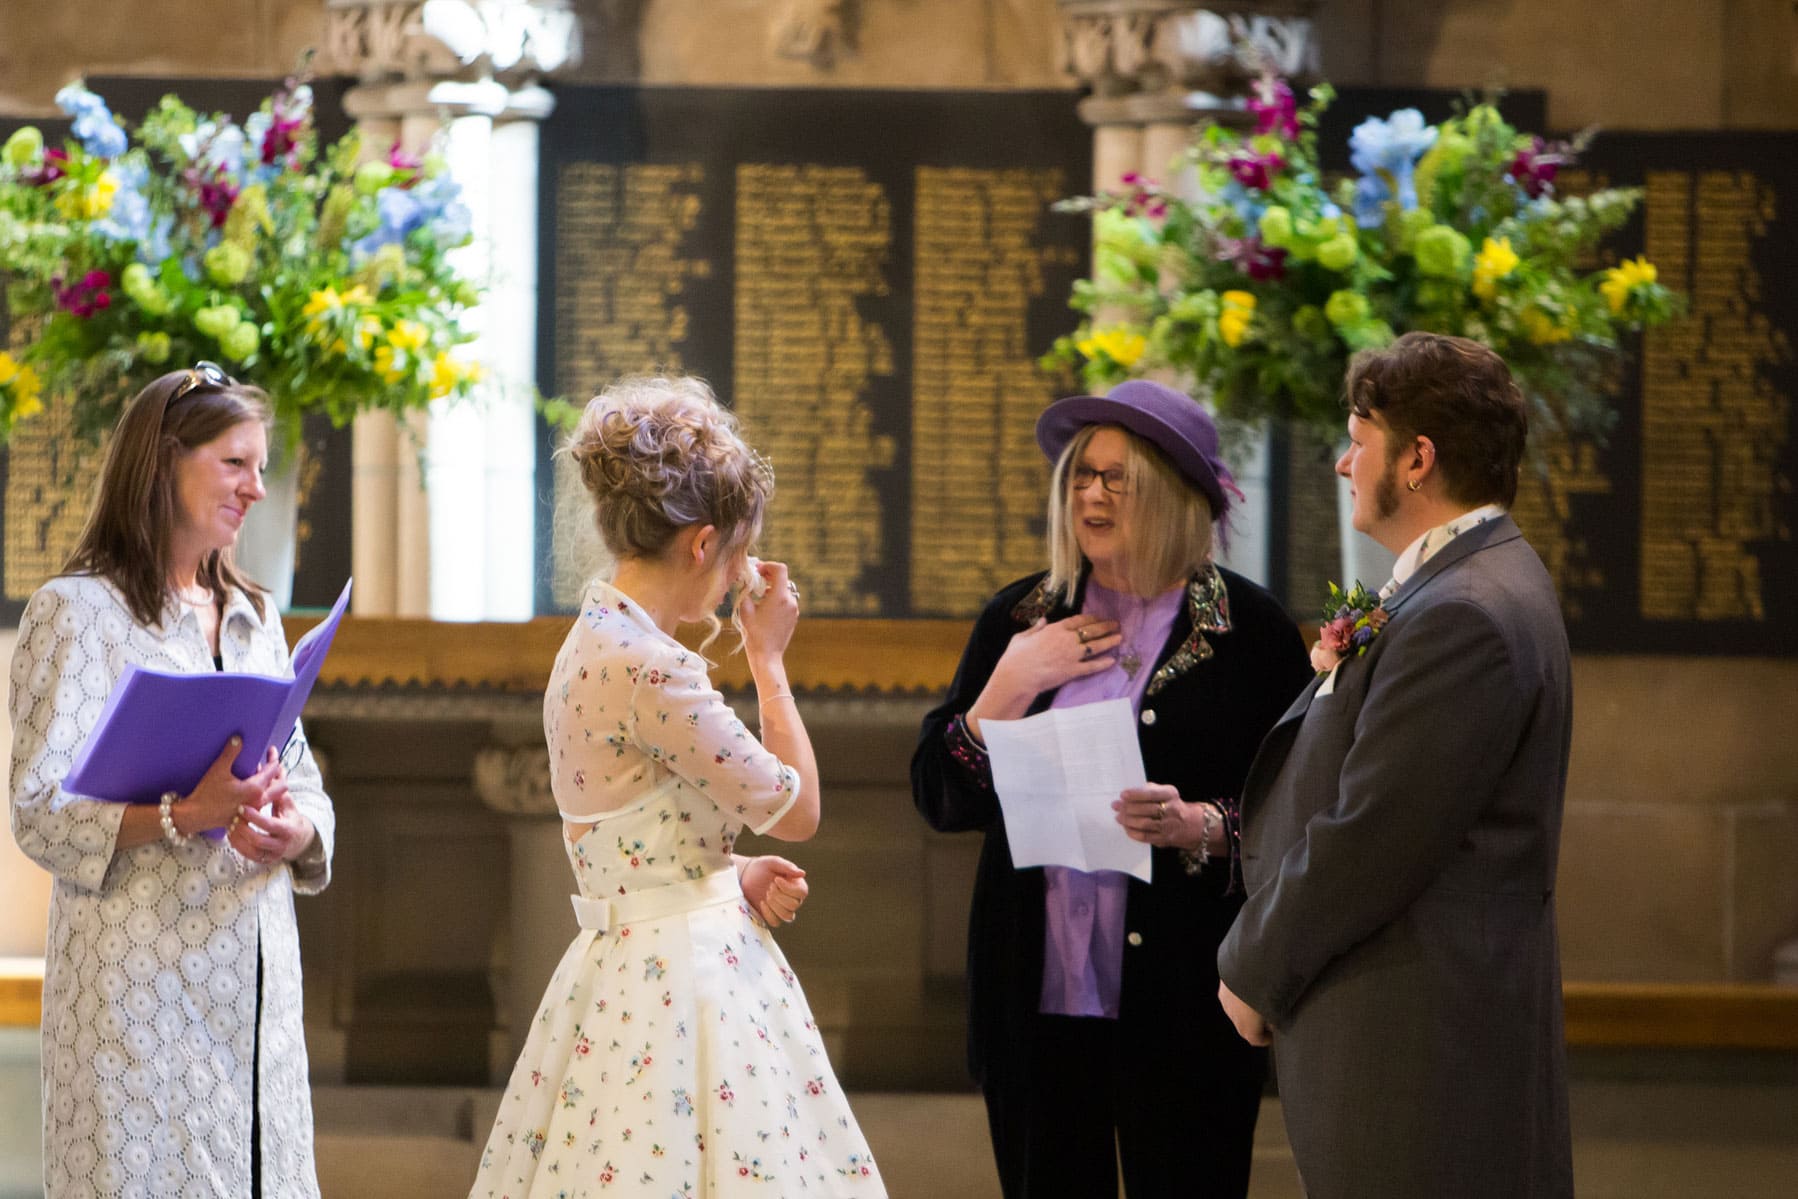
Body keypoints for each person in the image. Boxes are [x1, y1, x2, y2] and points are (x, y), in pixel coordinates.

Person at [471, 375, 883, 1197]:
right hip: (678, 989)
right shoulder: (652, 670)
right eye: (737, 554)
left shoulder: (595, 634)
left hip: (627, 964)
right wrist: (767, 660)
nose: (739, 581)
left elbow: (629, 839)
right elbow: (797, 810)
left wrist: (724, 881)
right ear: (702, 544)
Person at [911, 379, 1313, 1197]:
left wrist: (1198, 824)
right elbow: (937, 797)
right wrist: (1006, 690)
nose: (1090, 493)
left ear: (1174, 491)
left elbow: (1299, 814)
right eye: (1080, 475)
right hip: (1038, 998)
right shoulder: (1020, 618)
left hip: (1186, 1003)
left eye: (1116, 476)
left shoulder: (1252, 633)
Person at [1217, 331, 1575, 1197]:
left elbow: (1375, 834)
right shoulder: (1460, 584)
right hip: (1410, 1022)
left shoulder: (1465, 613)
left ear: (1417, 458)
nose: (1344, 463)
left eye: (1359, 438)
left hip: (1415, 1040)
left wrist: (1251, 970)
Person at [8, 362, 335, 1197]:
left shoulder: (256, 618)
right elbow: (41, 812)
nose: (257, 489)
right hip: (135, 999)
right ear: (162, 462)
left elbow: (301, 776)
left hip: (254, 996)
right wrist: (186, 812)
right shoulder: (76, 613)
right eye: (235, 463)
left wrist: (297, 828)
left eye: (262, 467)